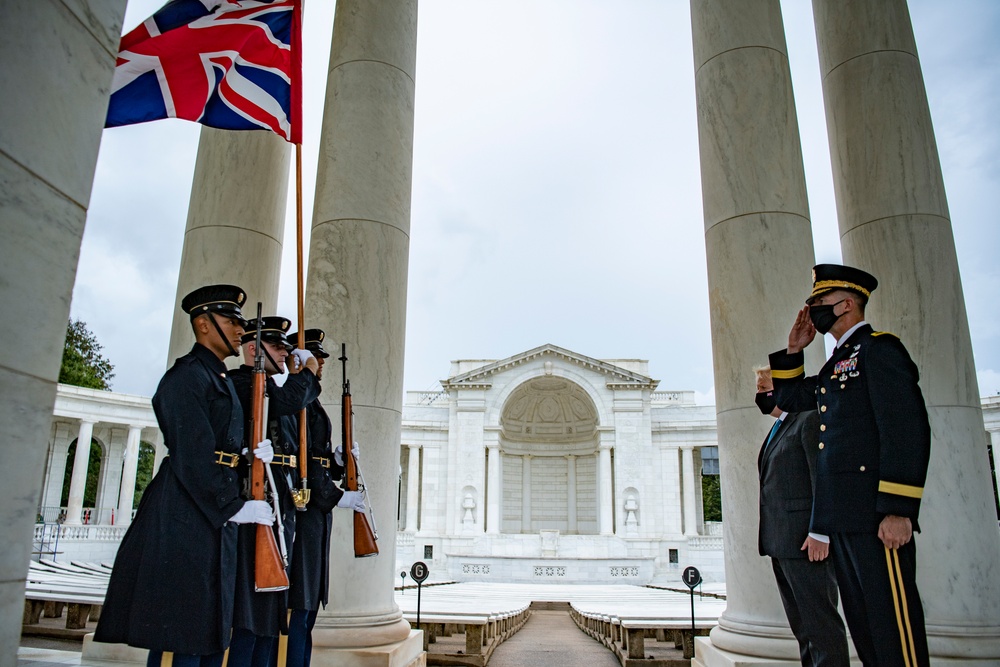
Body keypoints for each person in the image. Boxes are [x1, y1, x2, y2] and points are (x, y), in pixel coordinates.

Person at [95, 285, 274, 667]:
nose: (240, 330)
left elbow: (222, 446)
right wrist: (234, 506)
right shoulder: (186, 378)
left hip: (210, 512)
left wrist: (250, 455)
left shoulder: (219, 379)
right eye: (231, 321)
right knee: (183, 629)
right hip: (185, 512)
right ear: (204, 325)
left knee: (209, 631)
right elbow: (194, 456)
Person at [769, 264, 931, 667]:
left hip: (876, 518)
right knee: (865, 630)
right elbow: (790, 401)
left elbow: (905, 430)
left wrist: (897, 509)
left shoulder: (880, 350)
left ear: (845, 304)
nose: (812, 311)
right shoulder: (835, 364)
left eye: (819, 303)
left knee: (894, 632)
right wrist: (794, 351)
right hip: (844, 518)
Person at [227, 316, 321, 667]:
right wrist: (306, 369)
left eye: (286, 347)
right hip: (253, 511)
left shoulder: (271, 391)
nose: (284, 351)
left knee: (268, 621)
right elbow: (291, 397)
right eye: (277, 346)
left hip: (279, 512)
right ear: (254, 349)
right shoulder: (240, 382)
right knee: (250, 622)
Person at [754, 366, 848, 667]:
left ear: (784, 389)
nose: (761, 396)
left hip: (807, 544)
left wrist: (820, 531)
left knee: (821, 626)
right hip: (783, 543)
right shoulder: (780, 426)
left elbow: (822, 477)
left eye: (765, 389)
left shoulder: (807, 420)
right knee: (803, 628)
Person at [284, 329, 365, 667]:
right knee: (301, 606)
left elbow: (316, 458)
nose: (321, 368)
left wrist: (337, 461)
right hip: (307, 511)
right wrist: (336, 497)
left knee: (309, 606)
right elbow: (303, 462)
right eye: (316, 361)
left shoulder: (310, 404)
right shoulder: (298, 405)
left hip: (316, 514)